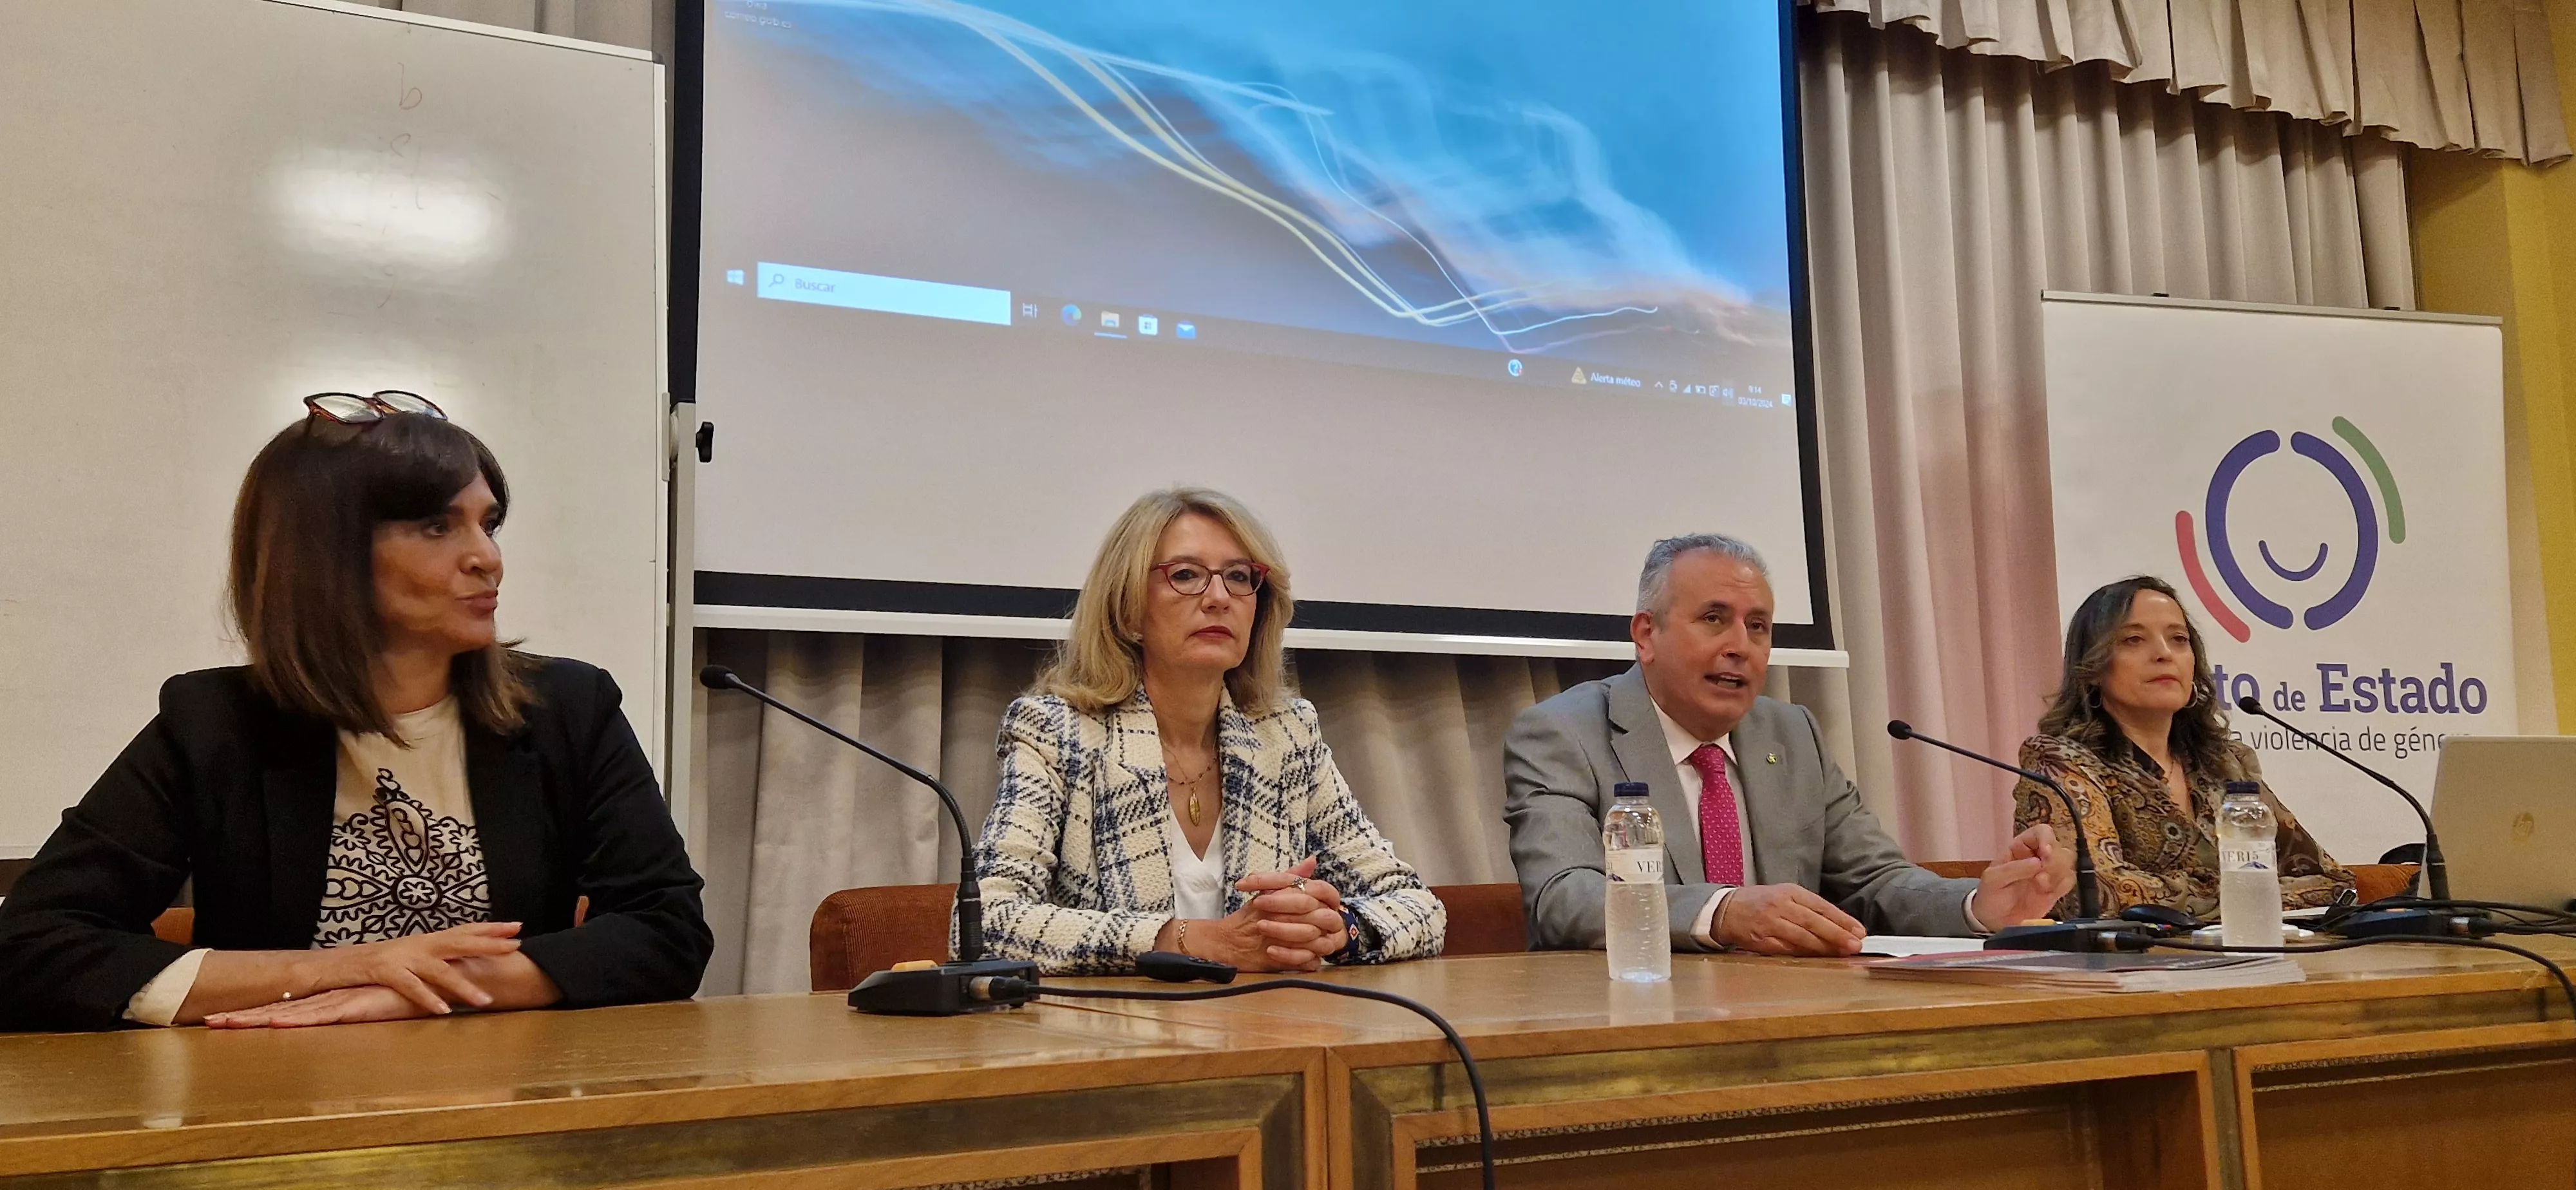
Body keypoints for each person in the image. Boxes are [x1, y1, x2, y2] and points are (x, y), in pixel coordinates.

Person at [0, 392, 710, 1032]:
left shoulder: (568, 709)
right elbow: (31, 947)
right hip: (274, 1111)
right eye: (438, 527)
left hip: (506, 1100)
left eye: (488, 524)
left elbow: (667, 930)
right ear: (325, 555)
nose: (487, 558)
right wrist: (346, 967)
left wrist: (426, 990)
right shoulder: (213, 722)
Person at [1505, 534, 2073, 956]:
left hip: (1792, 1013)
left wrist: (1979, 906)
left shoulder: (1791, 732)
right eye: (1714, 619)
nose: (1740, 646)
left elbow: (1875, 882)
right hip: (1638, 1022)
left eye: (1758, 626)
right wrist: (1722, 911)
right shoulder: (1564, 732)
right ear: (1647, 634)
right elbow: (1564, 897)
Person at [974, 487, 1444, 974]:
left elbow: (1417, 906)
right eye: (1185, 575)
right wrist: (1190, 942)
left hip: (1263, 1029)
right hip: (1112, 1036)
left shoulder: (1286, 736)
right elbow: (987, 922)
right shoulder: (1057, 733)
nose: (1219, 598)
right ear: (1128, 608)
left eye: (1240, 577)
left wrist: (1336, 929)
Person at [2013, 576, 2354, 918]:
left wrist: (2226, 897)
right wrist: (2250, 893)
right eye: (2133, 639)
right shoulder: (2060, 762)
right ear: (2092, 668)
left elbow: (2335, 884)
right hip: (2128, 968)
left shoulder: (2224, 763)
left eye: (2179, 640)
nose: (2164, 654)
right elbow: (2093, 894)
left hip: (2247, 960)